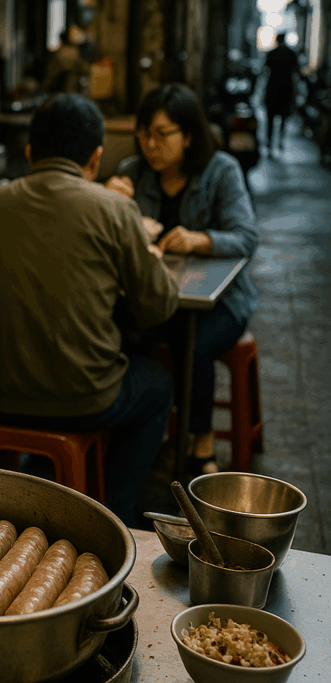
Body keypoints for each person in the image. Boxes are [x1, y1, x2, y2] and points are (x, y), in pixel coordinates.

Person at [0, 93, 179, 527]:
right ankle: (113, 517)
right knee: (157, 382)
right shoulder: (115, 209)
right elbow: (158, 307)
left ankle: (27, 490)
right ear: (95, 158)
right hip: (82, 399)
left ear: (29, 153)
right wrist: (148, 254)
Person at [105, 84, 259, 477]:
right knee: (121, 330)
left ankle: (199, 438)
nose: (150, 144)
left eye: (162, 134)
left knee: (193, 342)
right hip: (156, 295)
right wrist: (108, 202)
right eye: (144, 134)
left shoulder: (221, 170)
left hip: (220, 300)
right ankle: (139, 430)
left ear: (188, 135)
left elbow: (246, 237)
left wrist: (199, 239)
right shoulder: (131, 173)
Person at [264, 33, 301, 152]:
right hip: (286, 88)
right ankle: (280, 140)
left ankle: (269, 140)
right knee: (283, 116)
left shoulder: (272, 53)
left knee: (270, 116)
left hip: (273, 88)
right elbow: (296, 74)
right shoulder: (291, 54)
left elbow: (265, 72)